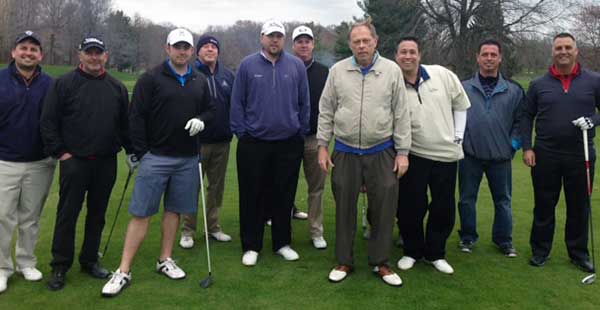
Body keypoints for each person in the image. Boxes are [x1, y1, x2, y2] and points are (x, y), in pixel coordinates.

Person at [101, 28, 215, 297]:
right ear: (167, 48)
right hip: (156, 158)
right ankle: (124, 270)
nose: (182, 51)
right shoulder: (151, 79)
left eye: (187, 46)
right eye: (177, 46)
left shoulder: (199, 79)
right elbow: (136, 117)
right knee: (142, 213)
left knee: (174, 211)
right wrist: (142, 154)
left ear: (191, 50)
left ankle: (165, 259)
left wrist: (203, 120)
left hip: (187, 158)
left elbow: (211, 108)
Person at [317, 20, 410, 286]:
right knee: (344, 207)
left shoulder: (391, 71)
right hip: (345, 150)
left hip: (382, 150)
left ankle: (381, 263)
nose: (361, 45)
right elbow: (326, 110)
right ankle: (344, 261)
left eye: (365, 41)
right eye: (356, 41)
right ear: (350, 44)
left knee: (383, 208)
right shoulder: (338, 71)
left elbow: (401, 113)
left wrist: (402, 152)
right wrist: (323, 146)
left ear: (375, 42)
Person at [41, 36, 132, 291]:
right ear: (80, 54)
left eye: (98, 53)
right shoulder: (64, 84)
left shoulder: (116, 87)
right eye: (89, 52)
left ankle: (89, 260)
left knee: (97, 215)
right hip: (74, 161)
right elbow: (48, 122)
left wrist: (133, 151)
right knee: (67, 214)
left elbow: (125, 126)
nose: (94, 57)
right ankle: (60, 266)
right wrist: (60, 152)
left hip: (105, 163)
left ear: (106, 55)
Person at [230, 20, 309, 266]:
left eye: (279, 36)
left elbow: (304, 102)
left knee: (284, 195)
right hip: (254, 142)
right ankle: (251, 245)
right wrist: (242, 133)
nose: (275, 40)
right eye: (270, 36)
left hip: (288, 143)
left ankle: (282, 243)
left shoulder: (296, 65)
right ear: (262, 38)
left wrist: (300, 131)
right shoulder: (247, 65)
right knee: (251, 195)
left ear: (283, 39)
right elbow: (237, 103)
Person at [521, 33, 600, 273]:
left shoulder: (594, 81)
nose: (563, 51)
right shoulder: (538, 84)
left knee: (578, 206)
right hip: (546, 154)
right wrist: (527, 147)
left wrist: (593, 120)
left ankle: (578, 253)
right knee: (544, 205)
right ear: (552, 52)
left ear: (576, 51)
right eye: (559, 48)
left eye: (568, 47)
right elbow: (526, 116)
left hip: (581, 153)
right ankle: (540, 251)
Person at [395, 36, 470, 275]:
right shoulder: (393, 82)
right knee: (410, 206)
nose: (408, 56)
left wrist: (458, 134)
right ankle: (412, 251)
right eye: (403, 52)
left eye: (412, 52)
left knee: (443, 207)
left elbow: (461, 104)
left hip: (445, 155)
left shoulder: (442, 75)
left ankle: (436, 253)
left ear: (420, 55)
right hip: (413, 154)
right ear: (397, 56)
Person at [457, 39, 524, 257]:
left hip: (501, 157)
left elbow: (520, 122)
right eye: (484, 54)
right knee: (467, 198)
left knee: (503, 201)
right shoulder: (463, 87)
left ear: (500, 58)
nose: (488, 58)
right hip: (470, 156)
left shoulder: (513, 90)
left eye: (493, 55)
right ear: (477, 57)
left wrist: (513, 145)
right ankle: (467, 237)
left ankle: (503, 240)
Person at [0, 31, 55, 294]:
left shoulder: (50, 84)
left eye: (34, 49)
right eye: (23, 48)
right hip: (4, 161)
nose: (28, 53)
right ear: (13, 52)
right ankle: (2, 268)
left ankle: (26, 262)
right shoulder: (0, 80)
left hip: (40, 162)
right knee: (2, 217)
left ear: (40, 55)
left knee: (30, 217)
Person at [179, 34, 235, 248]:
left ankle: (213, 227)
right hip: (197, 142)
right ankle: (188, 230)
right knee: (192, 187)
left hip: (222, 141)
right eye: (206, 47)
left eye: (213, 47)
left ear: (218, 51)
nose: (210, 50)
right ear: (198, 51)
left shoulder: (228, 75)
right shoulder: (190, 75)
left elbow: (235, 105)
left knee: (216, 187)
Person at [290, 25, 330, 249]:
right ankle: (282, 231)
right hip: (288, 138)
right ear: (293, 45)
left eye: (307, 41)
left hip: (315, 138)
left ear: (313, 44)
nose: (304, 45)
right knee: (284, 185)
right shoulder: (284, 67)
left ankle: (316, 231)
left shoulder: (324, 72)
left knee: (316, 188)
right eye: (299, 41)